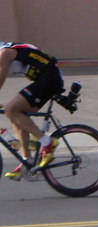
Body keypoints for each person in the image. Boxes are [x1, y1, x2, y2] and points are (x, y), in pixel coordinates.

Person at [0, 42, 63, 180]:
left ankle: (48, 142)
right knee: (16, 116)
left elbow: (1, 74)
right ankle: (27, 161)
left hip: (50, 78)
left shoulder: (4, 53)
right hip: (46, 78)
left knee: (11, 110)